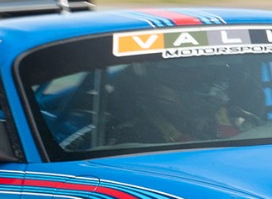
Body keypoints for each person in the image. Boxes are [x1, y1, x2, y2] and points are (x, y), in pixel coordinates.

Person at [105, 56, 260, 145]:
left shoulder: (245, 122)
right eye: (182, 81)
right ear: (152, 87)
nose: (202, 90)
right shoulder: (133, 137)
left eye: (209, 78)